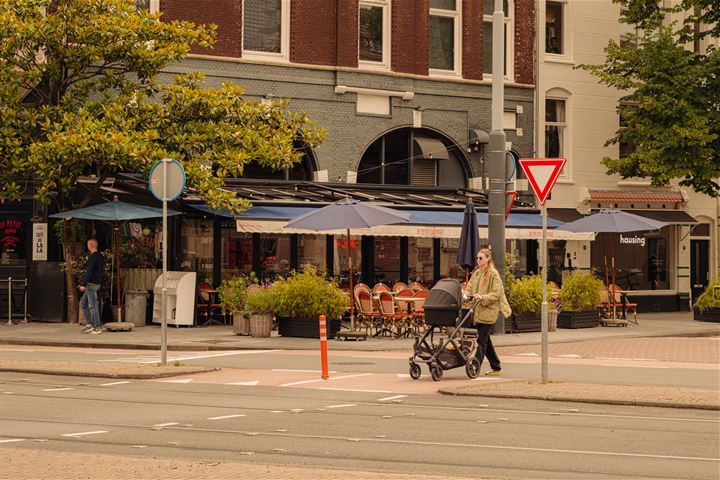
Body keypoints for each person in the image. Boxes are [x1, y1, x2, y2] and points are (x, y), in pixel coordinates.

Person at [464, 248, 504, 376]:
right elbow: (469, 287)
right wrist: (465, 295)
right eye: (477, 258)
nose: (478, 260)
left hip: (488, 311)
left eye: (480, 258)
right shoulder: (476, 273)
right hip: (478, 311)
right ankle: (496, 366)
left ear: (487, 258)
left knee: (481, 340)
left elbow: (496, 293)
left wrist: (483, 297)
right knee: (485, 340)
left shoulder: (494, 274)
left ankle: (474, 366)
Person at [80, 239, 103, 335]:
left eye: (88, 245)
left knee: (92, 306)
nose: (87, 247)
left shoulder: (93, 257)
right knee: (84, 303)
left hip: (91, 284)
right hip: (96, 282)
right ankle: (89, 324)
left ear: (90, 245)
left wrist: (83, 284)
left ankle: (97, 327)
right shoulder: (101, 256)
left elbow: (89, 271)